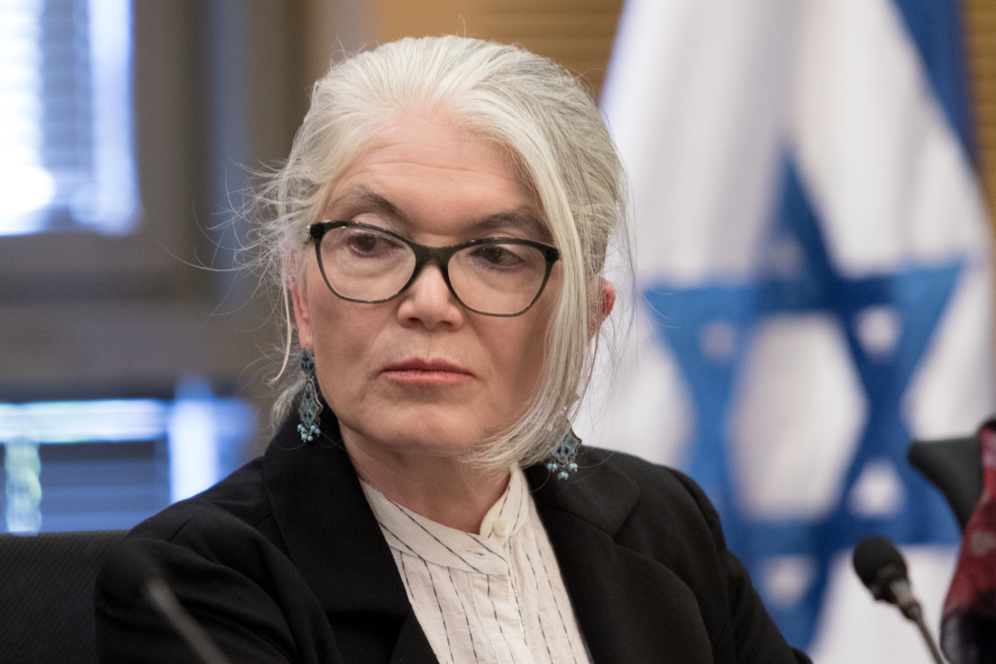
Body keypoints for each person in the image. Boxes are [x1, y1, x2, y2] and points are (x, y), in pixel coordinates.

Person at [94, 35, 811, 664]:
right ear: (301, 297)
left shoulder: (665, 524)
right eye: (370, 243)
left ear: (586, 319)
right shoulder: (194, 581)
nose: (429, 304)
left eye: (496, 254)